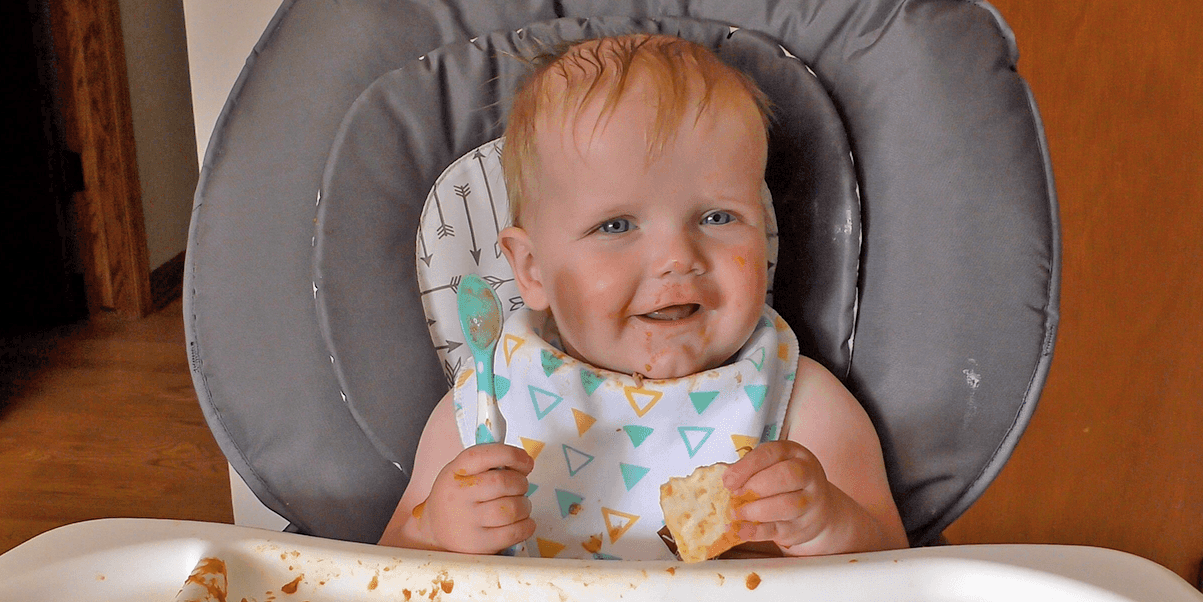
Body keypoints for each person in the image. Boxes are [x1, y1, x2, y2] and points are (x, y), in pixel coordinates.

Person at [380, 34, 908, 560]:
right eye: (615, 225)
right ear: (533, 270)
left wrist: (825, 524)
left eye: (717, 217)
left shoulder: (801, 405)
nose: (677, 257)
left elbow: (899, 573)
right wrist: (433, 532)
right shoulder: (487, 404)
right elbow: (379, 573)